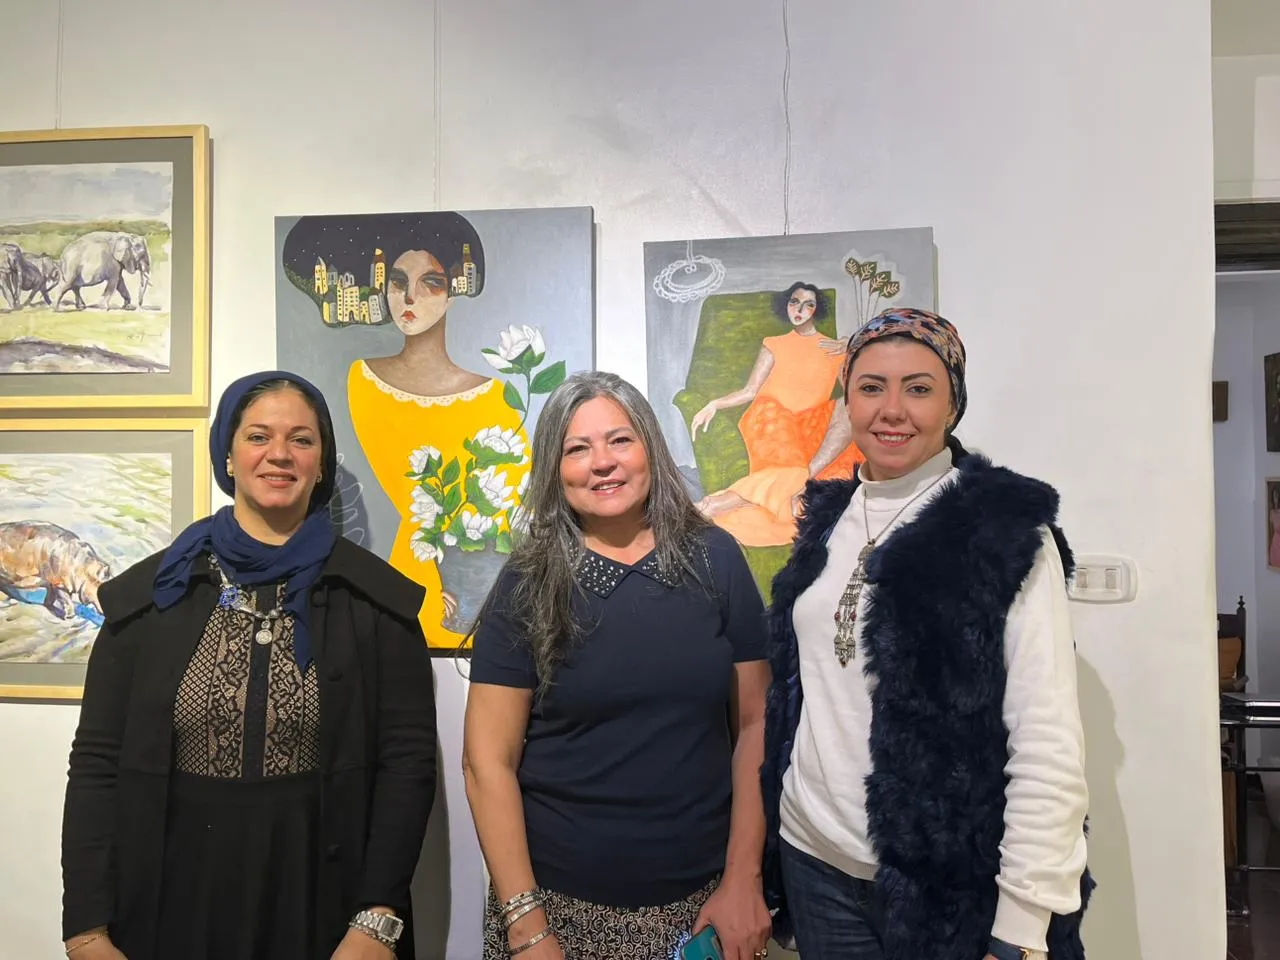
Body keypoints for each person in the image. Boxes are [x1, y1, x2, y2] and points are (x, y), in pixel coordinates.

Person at [60, 371, 438, 960]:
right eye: (258, 436)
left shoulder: (374, 602)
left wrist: (377, 920)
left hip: (325, 910)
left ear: (321, 463)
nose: (279, 454)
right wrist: (85, 927)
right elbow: (96, 763)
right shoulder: (152, 596)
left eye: (301, 439)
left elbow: (407, 766)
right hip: (169, 904)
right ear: (229, 456)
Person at [759, 308, 1093, 960]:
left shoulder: (1001, 532)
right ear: (847, 400)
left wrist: (1021, 927)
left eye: (918, 388)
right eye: (871, 387)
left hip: (946, 886)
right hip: (814, 860)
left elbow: (1046, 738)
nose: (892, 410)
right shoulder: (825, 518)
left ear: (952, 404)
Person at [462, 371, 773, 960]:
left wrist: (743, 879)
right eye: (577, 448)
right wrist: (526, 927)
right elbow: (486, 764)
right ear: (554, 469)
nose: (602, 462)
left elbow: (756, 723)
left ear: (649, 447)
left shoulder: (716, 559)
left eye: (620, 440)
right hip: (558, 913)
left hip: (704, 907)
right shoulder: (528, 580)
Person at [282, 213, 532, 646]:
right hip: (402, 585)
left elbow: (510, 516)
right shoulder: (364, 381)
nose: (409, 297)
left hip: (477, 595)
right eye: (398, 282)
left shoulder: (498, 397)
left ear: (454, 291)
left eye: (430, 282)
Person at [688, 282, 862, 547]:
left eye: (808, 304)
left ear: (817, 310)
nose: (799, 310)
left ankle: (723, 502)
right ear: (786, 305)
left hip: (810, 425)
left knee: (847, 413)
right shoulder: (774, 344)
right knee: (795, 473)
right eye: (794, 302)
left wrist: (854, 345)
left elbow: (859, 391)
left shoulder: (834, 349)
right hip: (770, 419)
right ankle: (726, 501)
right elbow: (749, 391)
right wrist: (715, 404)